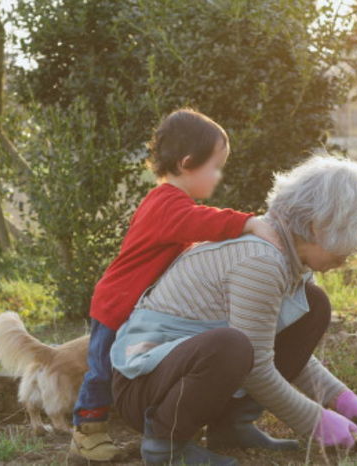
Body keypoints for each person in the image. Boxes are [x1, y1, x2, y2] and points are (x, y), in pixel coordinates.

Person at [110, 155, 357, 465]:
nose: (355, 250)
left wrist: (340, 398)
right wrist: (317, 421)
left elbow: (273, 345)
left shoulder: (290, 257)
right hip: (145, 388)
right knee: (231, 346)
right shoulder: (260, 261)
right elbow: (256, 365)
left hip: (182, 373)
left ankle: (231, 427)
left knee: (314, 304)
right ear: (318, 225)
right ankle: (165, 446)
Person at [70, 108, 283, 461]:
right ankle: (87, 433)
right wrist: (248, 223)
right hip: (117, 303)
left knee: (129, 364)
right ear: (187, 163)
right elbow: (200, 222)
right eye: (215, 166)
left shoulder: (172, 204)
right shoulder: (167, 203)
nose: (219, 175)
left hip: (140, 306)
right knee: (103, 371)